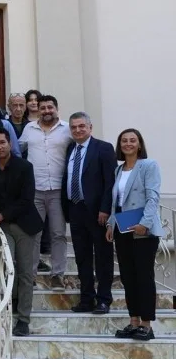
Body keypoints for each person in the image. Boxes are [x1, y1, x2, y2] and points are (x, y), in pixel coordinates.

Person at [0, 127, 44, 337]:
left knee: (25, 272)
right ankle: (8, 304)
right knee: (6, 267)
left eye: (2, 142)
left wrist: (1, 215)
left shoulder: (25, 167)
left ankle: (23, 320)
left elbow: (27, 199)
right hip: (2, 226)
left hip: (24, 225)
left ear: (10, 144)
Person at [108, 129, 163, 341]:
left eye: (133, 140)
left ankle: (146, 325)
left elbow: (153, 197)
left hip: (143, 229)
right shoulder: (118, 169)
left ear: (139, 144)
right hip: (123, 228)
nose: (128, 143)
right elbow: (116, 202)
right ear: (119, 145)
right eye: (124, 140)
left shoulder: (149, 165)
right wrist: (111, 225)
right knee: (128, 277)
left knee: (143, 276)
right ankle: (133, 321)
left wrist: (144, 223)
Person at [61, 111, 116, 315]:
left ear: (90, 128)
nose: (77, 130)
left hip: (97, 212)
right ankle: (86, 299)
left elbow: (110, 181)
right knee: (82, 257)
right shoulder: (70, 149)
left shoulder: (103, 148)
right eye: (74, 127)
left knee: (103, 256)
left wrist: (105, 209)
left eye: (81, 126)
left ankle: (103, 299)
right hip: (75, 209)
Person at [19, 95, 72, 289]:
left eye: (50, 107)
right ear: (38, 110)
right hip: (35, 189)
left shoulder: (68, 129)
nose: (47, 111)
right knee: (34, 233)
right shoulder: (29, 128)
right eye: (43, 108)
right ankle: (31, 275)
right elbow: (18, 149)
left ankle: (57, 274)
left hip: (58, 189)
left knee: (58, 233)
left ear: (56, 109)